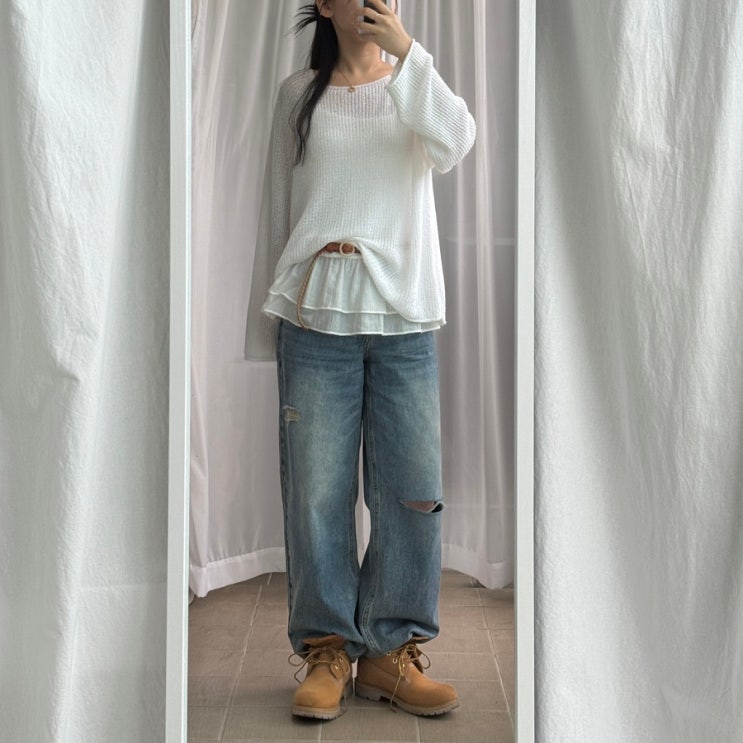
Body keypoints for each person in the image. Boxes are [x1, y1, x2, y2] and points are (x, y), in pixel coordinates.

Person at [244, 0, 476, 721]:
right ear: (324, 5)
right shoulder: (297, 96)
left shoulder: (413, 82)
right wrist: (265, 324)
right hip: (314, 314)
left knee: (412, 492)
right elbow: (276, 213)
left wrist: (408, 54)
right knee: (316, 493)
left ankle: (389, 652)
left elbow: (457, 141)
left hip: (404, 318)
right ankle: (326, 650)